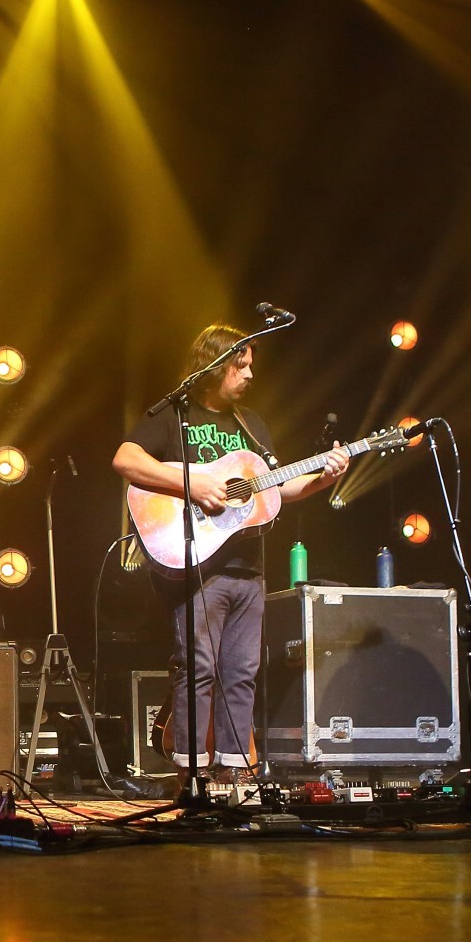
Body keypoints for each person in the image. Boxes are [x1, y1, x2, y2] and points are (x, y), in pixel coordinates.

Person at [113, 324, 348, 785]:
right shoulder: (174, 415)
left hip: (249, 569)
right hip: (198, 566)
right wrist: (194, 483)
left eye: (252, 365)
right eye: (241, 365)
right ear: (215, 365)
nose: (249, 374)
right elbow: (125, 459)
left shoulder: (251, 425)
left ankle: (234, 775)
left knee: (241, 672)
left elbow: (278, 487)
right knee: (197, 668)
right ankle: (192, 776)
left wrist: (325, 476)